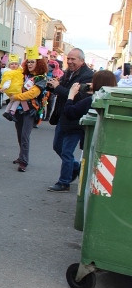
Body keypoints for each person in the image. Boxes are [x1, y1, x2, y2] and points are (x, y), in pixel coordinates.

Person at [46, 48, 93, 192]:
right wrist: (53, 86)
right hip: (63, 116)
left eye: (74, 59)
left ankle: (64, 182)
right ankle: (75, 167)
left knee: (66, 151)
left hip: (75, 118)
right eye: (69, 59)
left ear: (82, 61)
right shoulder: (68, 73)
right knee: (57, 147)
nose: (70, 62)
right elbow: (64, 92)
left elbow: (77, 97)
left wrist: (58, 87)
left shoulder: (87, 76)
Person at [8, 57, 48, 172]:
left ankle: (24, 162)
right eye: (28, 62)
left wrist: (15, 97)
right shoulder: (24, 75)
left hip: (31, 110)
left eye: (32, 62)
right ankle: (21, 156)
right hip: (19, 109)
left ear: (38, 63)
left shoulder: (41, 78)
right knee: (20, 134)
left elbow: (32, 93)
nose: (30, 64)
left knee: (25, 136)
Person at [0, 56, 24, 121]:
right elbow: (7, 81)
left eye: (16, 64)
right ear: (9, 65)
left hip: (14, 89)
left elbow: (21, 69)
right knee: (18, 99)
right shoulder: (9, 72)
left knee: (12, 101)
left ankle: (6, 111)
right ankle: (12, 112)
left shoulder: (18, 71)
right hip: (14, 89)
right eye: (12, 64)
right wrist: (4, 88)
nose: (14, 65)